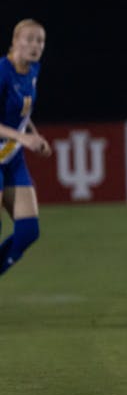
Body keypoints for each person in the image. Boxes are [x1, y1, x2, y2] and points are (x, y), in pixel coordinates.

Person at [0, 19, 51, 277]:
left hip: (11, 158)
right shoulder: (3, 72)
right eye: (29, 39)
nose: (35, 45)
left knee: (28, 231)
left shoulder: (33, 70)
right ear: (14, 41)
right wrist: (23, 139)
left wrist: (34, 135)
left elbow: (22, 110)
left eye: (39, 40)